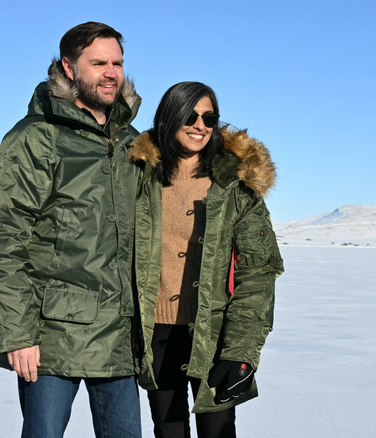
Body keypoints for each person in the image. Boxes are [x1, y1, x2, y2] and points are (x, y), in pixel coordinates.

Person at [0, 22, 142, 438]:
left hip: (119, 335)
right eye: (99, 63)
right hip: (50, 337)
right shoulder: (37, 137)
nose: (111, 73)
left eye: (117, 63)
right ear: (69, 68)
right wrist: (17, 334)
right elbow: (3, 238)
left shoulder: (132, 142)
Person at [129, 82, 284, 438]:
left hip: (213, 335)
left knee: (218, 432)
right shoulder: (140, 176)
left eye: (209, 118)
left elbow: (258, 272)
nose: (200, 125)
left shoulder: (233, 184)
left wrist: (240, 352)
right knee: (168, 429)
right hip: (155, 333)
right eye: (190, 116)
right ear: (169, 117)